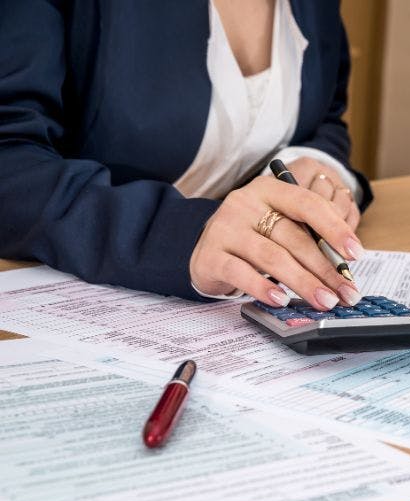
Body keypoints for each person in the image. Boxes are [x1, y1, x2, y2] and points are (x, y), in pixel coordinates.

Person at [0, 0, 372, 311]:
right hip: (76, 304)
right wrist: (184, 235)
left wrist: (312, 166)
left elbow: (325, 116)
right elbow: (11, 163)